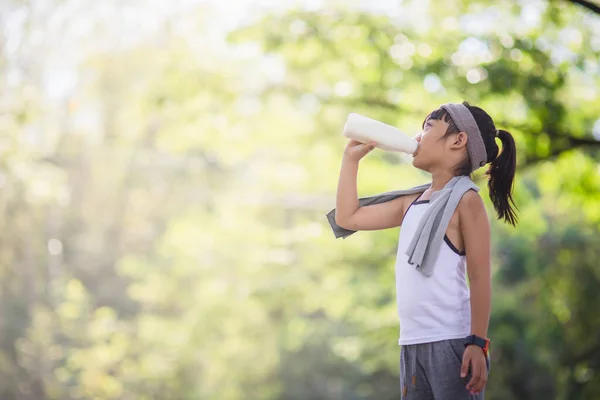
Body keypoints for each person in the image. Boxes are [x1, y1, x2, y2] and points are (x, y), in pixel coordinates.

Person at [328, 102, 518, 399]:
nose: (417, 137)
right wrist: (350, 160)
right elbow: (347, 217)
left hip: (453, 342)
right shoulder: (411, 202)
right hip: (412, 342)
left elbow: (480, 279)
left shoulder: (467, 201)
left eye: (428, 127)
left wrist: (478, 342)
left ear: (458, 140)